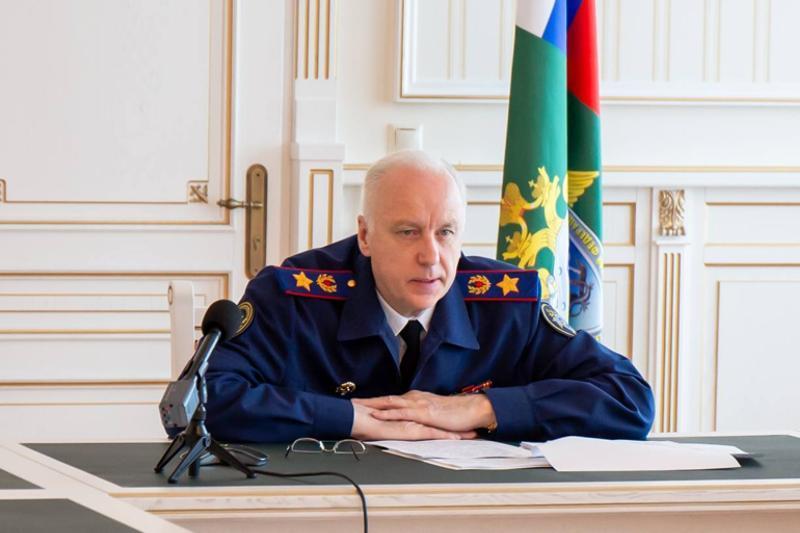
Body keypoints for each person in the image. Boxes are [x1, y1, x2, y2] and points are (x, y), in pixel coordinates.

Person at [204, 150, 654, 443]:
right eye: (408, 232)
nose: (430, 256)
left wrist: (479, 408)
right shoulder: (294, 296)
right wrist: (353, 419)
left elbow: (629, 399)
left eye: (446, 232)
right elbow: (202, 399)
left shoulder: (507, 304)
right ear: (365, 235)